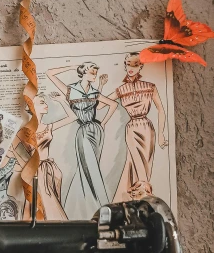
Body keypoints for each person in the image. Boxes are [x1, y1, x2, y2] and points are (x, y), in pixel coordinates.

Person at [47, 62, 117, 219]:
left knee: (93, 166)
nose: (94, 75)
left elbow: (112, 105)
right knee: (88, 166)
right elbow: (49, 73)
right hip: (83, 131)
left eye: (95, 73)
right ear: (84, 72)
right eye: (92, 72)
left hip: (96, 131)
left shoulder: (94, 92)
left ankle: (88, 205)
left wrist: (103, 123)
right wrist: (71, 67)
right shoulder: (70, 90)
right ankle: (98, 205)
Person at [102, 53, 168, 201]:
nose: (131, 67)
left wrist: (162, 133)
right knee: (137, 162)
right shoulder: (121, 89)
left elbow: (161, 109)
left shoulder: (150, 86)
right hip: (132, 128)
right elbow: (100, 104)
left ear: (141, 66)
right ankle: (144, 198)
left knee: (146, 165)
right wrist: (100, 87)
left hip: (147, 128)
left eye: (135, 64)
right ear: (124, 65)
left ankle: (133, 198)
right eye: (128, 64)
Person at [32, 92, 76, 220]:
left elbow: (72, 117)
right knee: (48, 203)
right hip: (37, 171)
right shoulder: (27, 129)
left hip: (51, 169)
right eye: (41, 102)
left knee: (54, 201)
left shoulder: (48, 127)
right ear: (32, 106)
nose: (46, 105)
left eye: (45, 102)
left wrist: (62, 100)